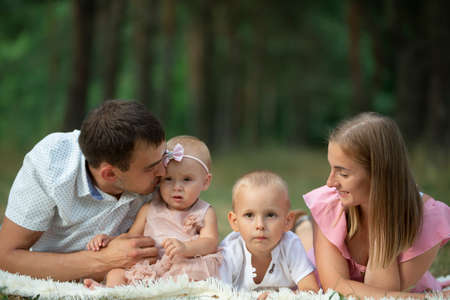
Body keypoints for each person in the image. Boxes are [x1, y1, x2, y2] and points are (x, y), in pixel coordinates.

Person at [0, 100, 166, 281]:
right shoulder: (51, 164)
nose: (165, 172)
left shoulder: (154, 159)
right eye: (151, 168)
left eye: (165, 156)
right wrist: (103, 261)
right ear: (110, 174)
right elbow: (6, 257)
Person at [295, 112, 450, 299]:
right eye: (332, 168)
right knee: (303, 242)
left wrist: (381, 215)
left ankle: (303, 224)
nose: (330, 182)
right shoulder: (330, 203)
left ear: (379, 177)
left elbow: (384, 293)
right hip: (325, 240)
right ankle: (301, 223)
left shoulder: (429, 219)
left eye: (343, 174)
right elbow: (335, 288)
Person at [84, 135, 222, 288]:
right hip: (151, 267)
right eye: (168, 179)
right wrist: (109, 240)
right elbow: (131, 236)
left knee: (189, 279)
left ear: (205, 181)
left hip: (182, 266)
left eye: (187, 179)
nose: (177, 187)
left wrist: (186, 248)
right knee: (115, 273)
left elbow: (210, 242)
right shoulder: (149, 208)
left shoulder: (204, 211)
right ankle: (110, 293)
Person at [219, 171, 319, 299]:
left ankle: (303, 224)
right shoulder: (229, 250)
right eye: (249, 215)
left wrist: (279, 298)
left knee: (313, 250)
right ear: (234, 221)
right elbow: (218, 293)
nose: (260, 225)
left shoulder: (291, 245)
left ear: (287, 221)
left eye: (270, 215)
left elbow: (311, 290)